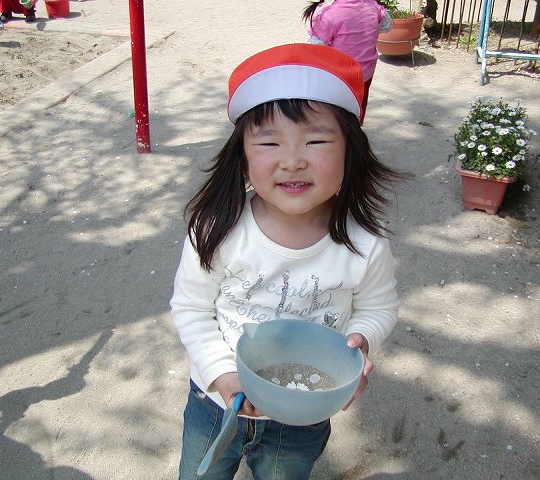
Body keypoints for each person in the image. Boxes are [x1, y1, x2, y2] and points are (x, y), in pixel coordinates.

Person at [170, 43, 403, 479]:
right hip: (215, 402)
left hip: (303, 415)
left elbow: (378, 307)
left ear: (350, 151)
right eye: (269, 141)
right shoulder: (217, 229)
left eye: (316, 140)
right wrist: (223, 374)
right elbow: (191, 308)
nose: (293, 161)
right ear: (242, 155)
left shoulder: (365, 243)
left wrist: (360, 339)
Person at [302, 0, 392, 124]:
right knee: (358, 107)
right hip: (365, 73)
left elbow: (315, 46)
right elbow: (386, 26)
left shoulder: (331, 15)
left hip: (339, 76)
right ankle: (356, 128)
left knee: (338, 112)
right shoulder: (372, 6)